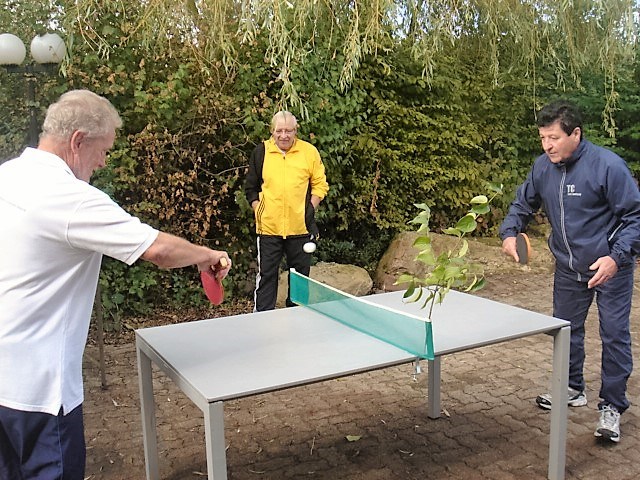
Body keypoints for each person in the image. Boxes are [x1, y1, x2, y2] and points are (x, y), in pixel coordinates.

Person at [0, 89, 232, 479]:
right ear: (78, 141)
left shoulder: (8, 175)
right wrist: (206, 255)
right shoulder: (71, 198)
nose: (104, 161)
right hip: (39, 394)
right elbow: (158, 250)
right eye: (103, 150)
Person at [500, 100, 640, 443]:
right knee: (565, 331)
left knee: (614, 335)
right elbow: (522, 204)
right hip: (568, 268)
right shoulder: (542, 167)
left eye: (554, 138)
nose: (547, 145)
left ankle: (612, 406)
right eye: (542, 138)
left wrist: (616, 258)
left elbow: (634, 218)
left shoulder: (608, 166)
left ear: (575, 134)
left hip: (610, 268)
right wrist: (509, 232)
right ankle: (572, 388)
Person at [244, 111, 329, 311]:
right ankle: (262, 318)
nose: (284, 135)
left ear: (295, 131)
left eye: (288, 131)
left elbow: (320, 185)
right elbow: (251, 188)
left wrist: (309, 209)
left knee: (300, 280)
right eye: (279, 131)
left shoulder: (309, 152)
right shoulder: (261, 152)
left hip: (300, 228)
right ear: (272, 131)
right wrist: (259, 210)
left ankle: (298, 319)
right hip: (269, 229)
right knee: (267, 276)